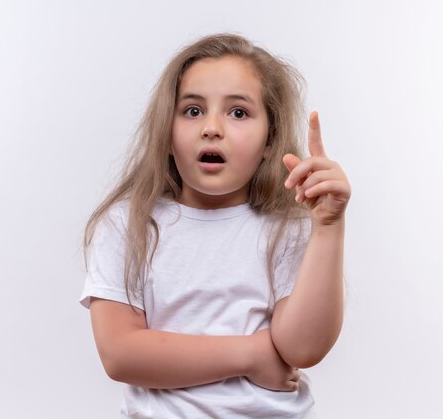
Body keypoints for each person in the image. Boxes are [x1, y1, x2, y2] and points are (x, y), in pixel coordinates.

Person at [79, 33, 351, 418]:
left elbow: (304, 349)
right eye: (192, 111)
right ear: (168, 135)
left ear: (269, 139)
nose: (212, 127)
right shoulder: (128, 223)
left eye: (238, 113)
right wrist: (253, 354)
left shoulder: (287, 229)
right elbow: (121, 355)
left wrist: (328, 226)